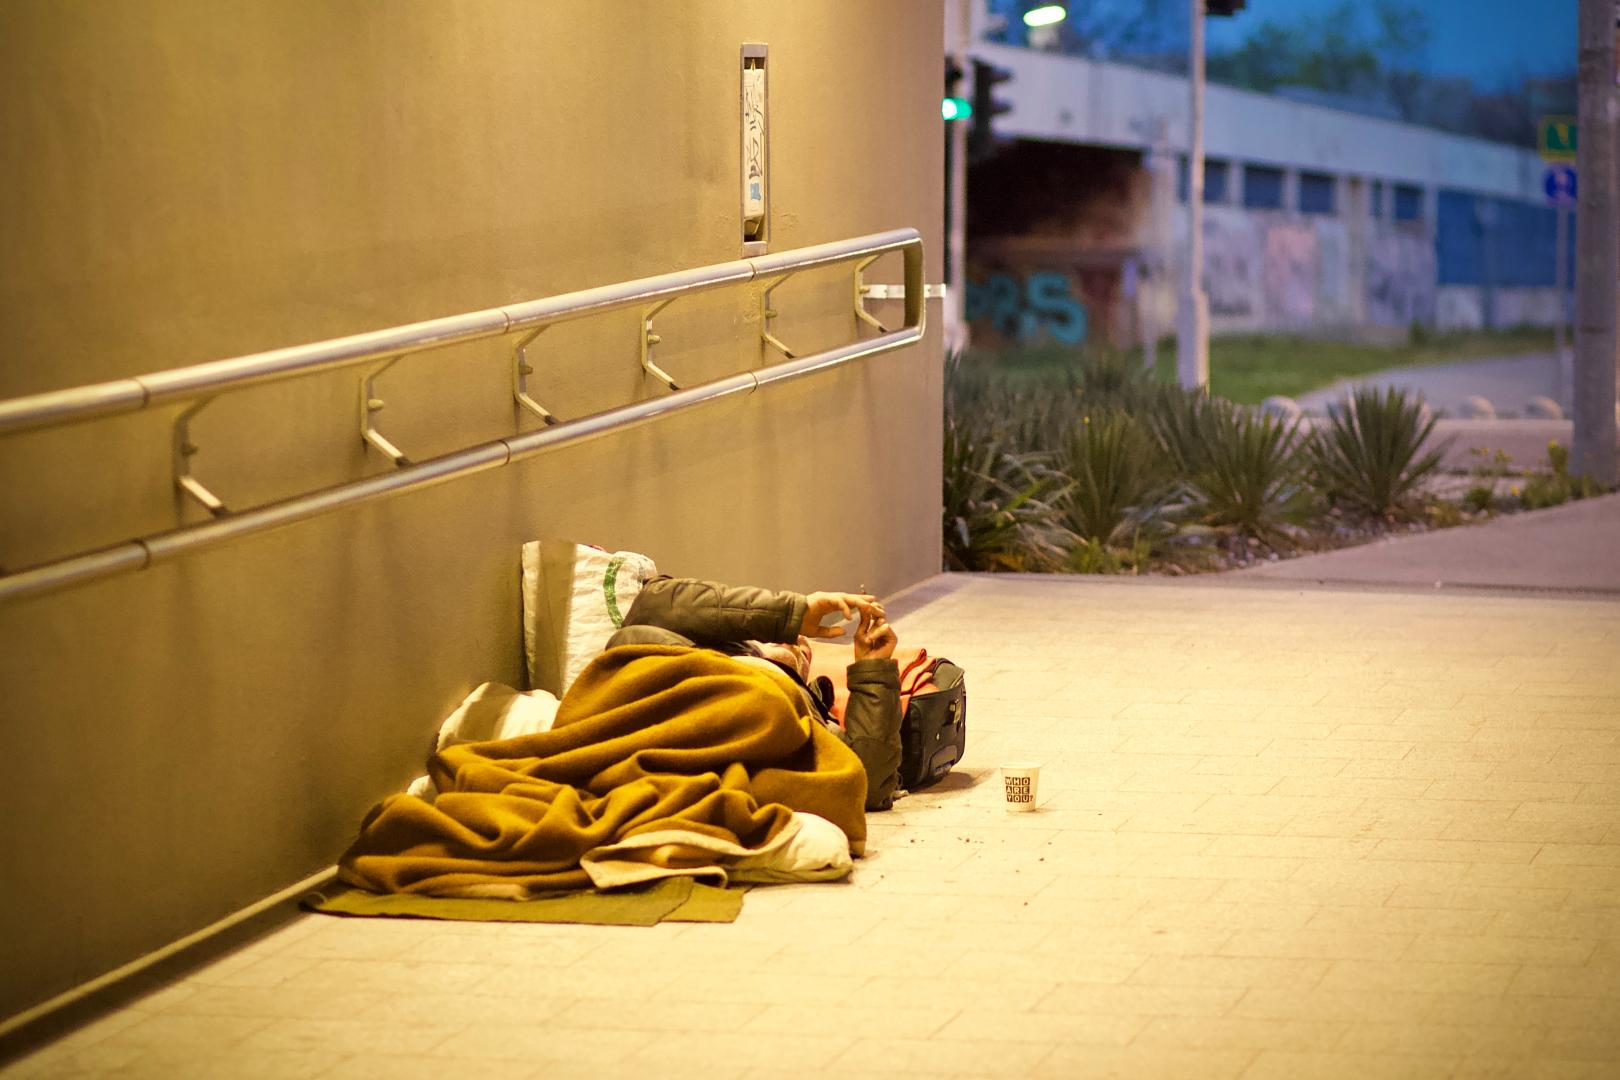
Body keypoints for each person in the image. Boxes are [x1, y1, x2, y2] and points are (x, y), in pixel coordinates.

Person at [603, 578, 904, 811]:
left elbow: (866, 780)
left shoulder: (806, 713)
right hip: (666, 721)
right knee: (632, 639)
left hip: (722, 753)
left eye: (802, 650)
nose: (797, 644)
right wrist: (793, 613)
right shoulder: (676, 648)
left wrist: (873, 667)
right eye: (790, 638)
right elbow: (653, 604)